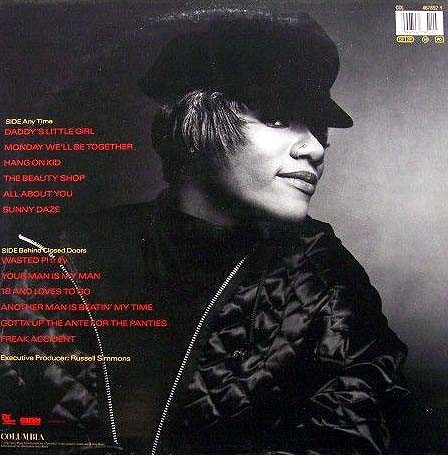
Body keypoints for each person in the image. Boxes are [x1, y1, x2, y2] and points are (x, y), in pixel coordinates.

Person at [0, 10, 410, 455]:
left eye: (319, 128)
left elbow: (352, 428)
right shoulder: (57, 260)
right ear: (195, 127)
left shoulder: (325, 275)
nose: (313, 148)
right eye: (277, 118)